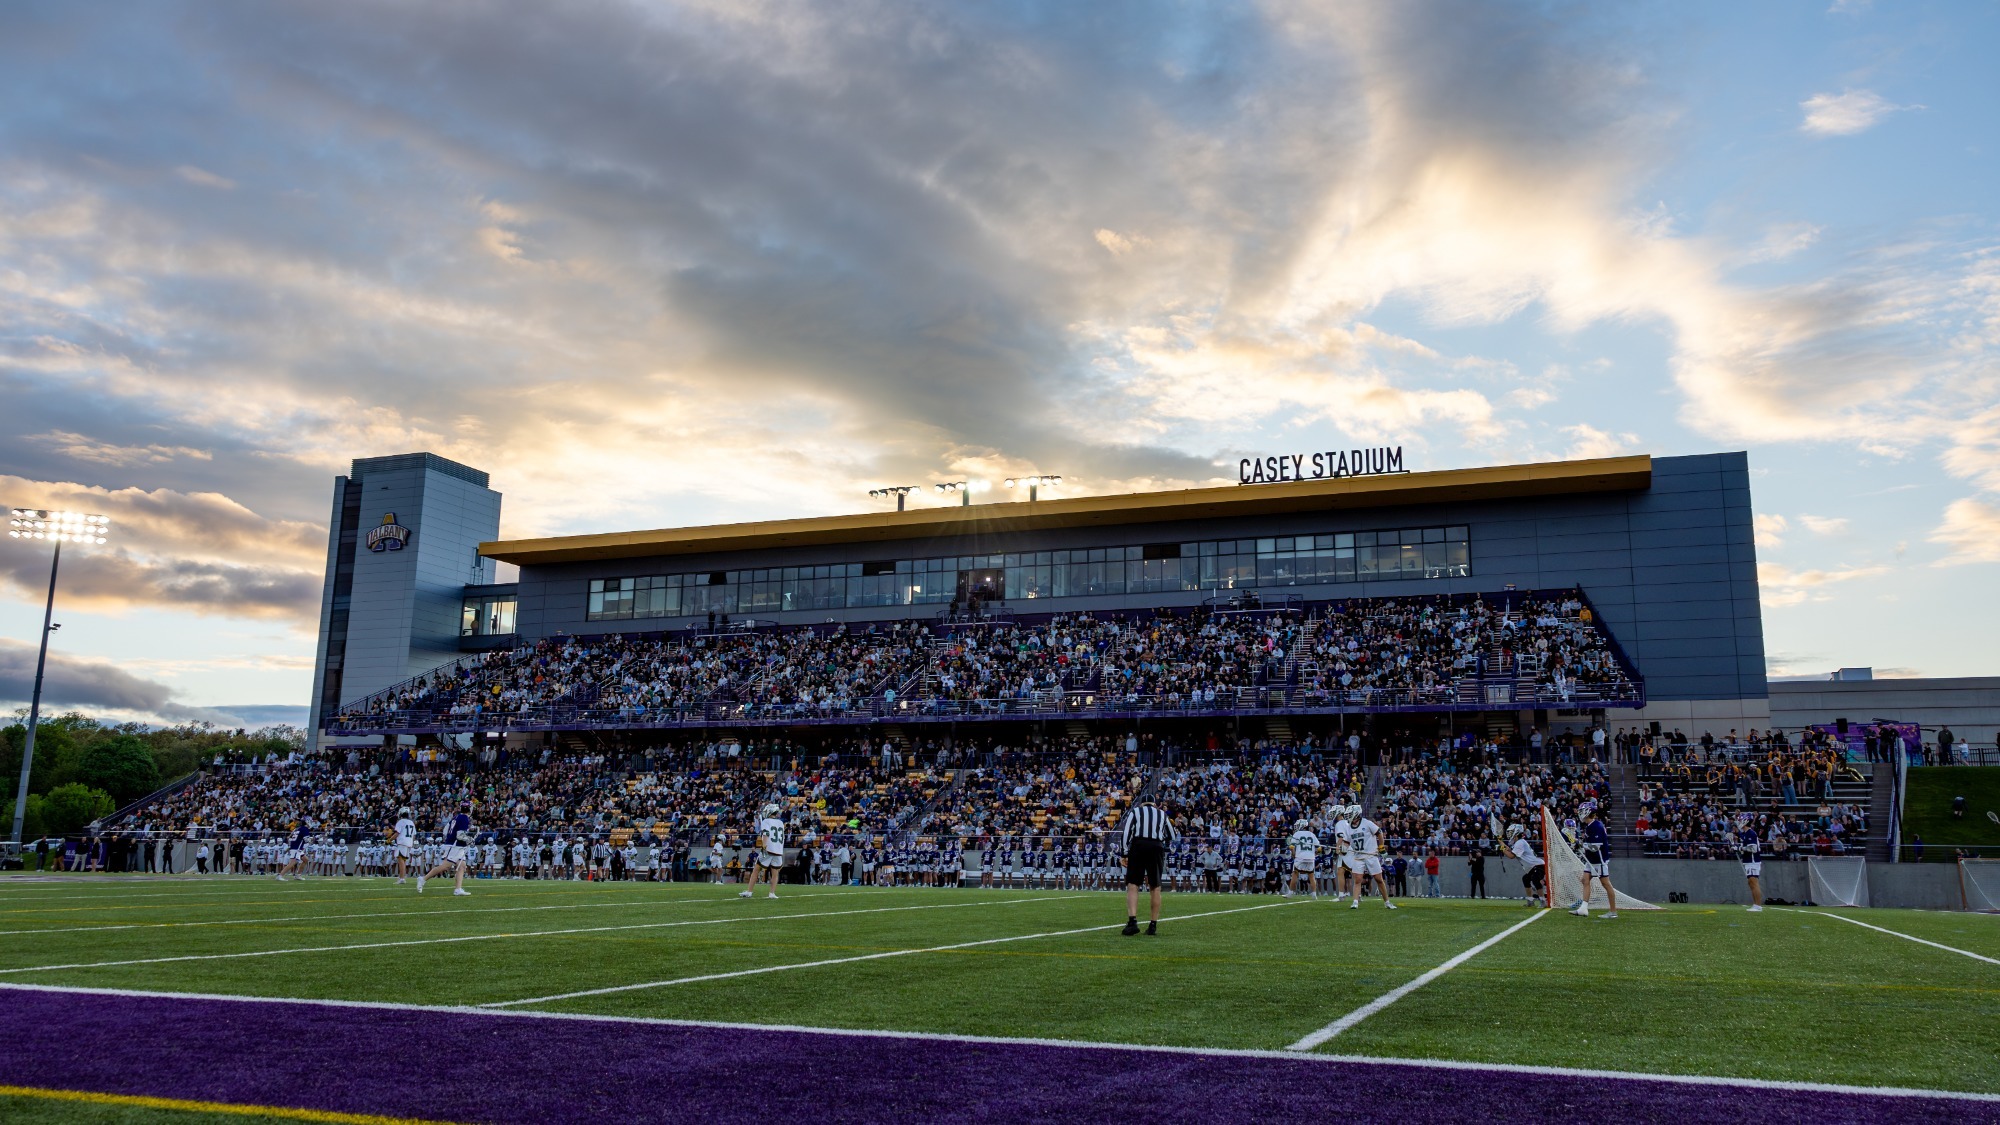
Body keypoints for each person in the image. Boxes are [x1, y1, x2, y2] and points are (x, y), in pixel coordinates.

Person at [1118, 799, 1178, 936]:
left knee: (1133, 884)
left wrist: (1124, 854)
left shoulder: (1135, 811)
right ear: (1154, 804)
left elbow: (1126, 833)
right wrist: (1159, 837)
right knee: (1155, 885)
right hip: (1156, 847)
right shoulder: (1162, 814)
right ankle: (1153, 925)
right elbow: (1172, 835)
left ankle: (1132, 921)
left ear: (1142, 804)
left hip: (1138, 845)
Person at [1337, 805, 1396, 910]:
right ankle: (1355, 902)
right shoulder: (1349, 827)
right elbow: (1347, 842)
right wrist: (1343, 849)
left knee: (1379, 879)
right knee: (1358, 879)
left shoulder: (1367, 823)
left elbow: (1379, 833)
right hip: (1358, 857)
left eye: (1350, 815)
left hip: (1371, 855)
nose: (1349, 817)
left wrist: (1381, 846)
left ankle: (1387, 902)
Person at [1569, 804, 1617, 919]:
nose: (1580, 813)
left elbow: (1596, 846)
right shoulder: (1590, 826)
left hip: (1599, 860)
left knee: (1606, 884)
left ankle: (1613, 912)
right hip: (1591, 859)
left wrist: (1581, 845)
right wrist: (1579, 843)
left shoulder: (1596, 826)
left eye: (1582, 811)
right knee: (1585, 880)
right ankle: (1583, 908)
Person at [417, 806, 475, 896]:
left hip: (455, 845)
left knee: (462, 866)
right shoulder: (464, 818)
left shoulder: (457, 817)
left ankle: (458, 889)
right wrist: (469, 838)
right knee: (445, 866)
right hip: (455, 845)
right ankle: (423, 879)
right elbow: (460, 836)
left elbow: (445, 830)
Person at [740, 803, 786, 900]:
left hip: (769, 848)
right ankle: (772, 893)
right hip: (778, 850)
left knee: (756, 870)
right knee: (775, 872)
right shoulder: (781, 823)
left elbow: (766, 834)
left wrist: (764, 848)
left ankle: (749, 891)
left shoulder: (766, 821)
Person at [1507, 824, 1545, 906]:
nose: (1509, 834)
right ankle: (1530, 901)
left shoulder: (1520, 842)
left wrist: (1502, 849)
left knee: (1535, 879)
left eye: (1511, 832)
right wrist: (1502, 845)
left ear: (1516, 832)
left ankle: (1543, 901)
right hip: (1534, 866)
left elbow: (1511, 856)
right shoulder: (1519, 842)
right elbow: (1510, 851)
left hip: (1538, 865)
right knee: (1526, 879)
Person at [1284, 818, 1320, 898]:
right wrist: (1314, 853)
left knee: (1295, 874)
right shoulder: (1312, 834)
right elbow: (1318, 848)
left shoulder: (1297, 834)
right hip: (1310, 857)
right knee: (1311, 876)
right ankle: (1314, 894)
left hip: (1300, 857)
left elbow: (1292, 846)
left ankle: (1290, 893)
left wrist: (1293, 854)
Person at [1734, 815, 1764, 912]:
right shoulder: (1745, 834)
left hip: (1753, 861)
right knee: (1751, 883)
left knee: (1753, 882)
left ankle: (1758, 905)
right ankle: (1755, 904)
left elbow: (1753, 848)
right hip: (1748, 861)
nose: (1739, 823)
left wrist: (1740, 848)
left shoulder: (1751, 833)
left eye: (1740, 821)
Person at [393, 807, 418, 884]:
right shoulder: (411, 822)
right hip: (408, 843)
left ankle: (402, 879)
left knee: (401, 861)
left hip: (402, 843)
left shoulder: (400, 822)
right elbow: (414, 835)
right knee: (403, 861)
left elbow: (397, 833)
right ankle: (401, 877)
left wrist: (389, 840)